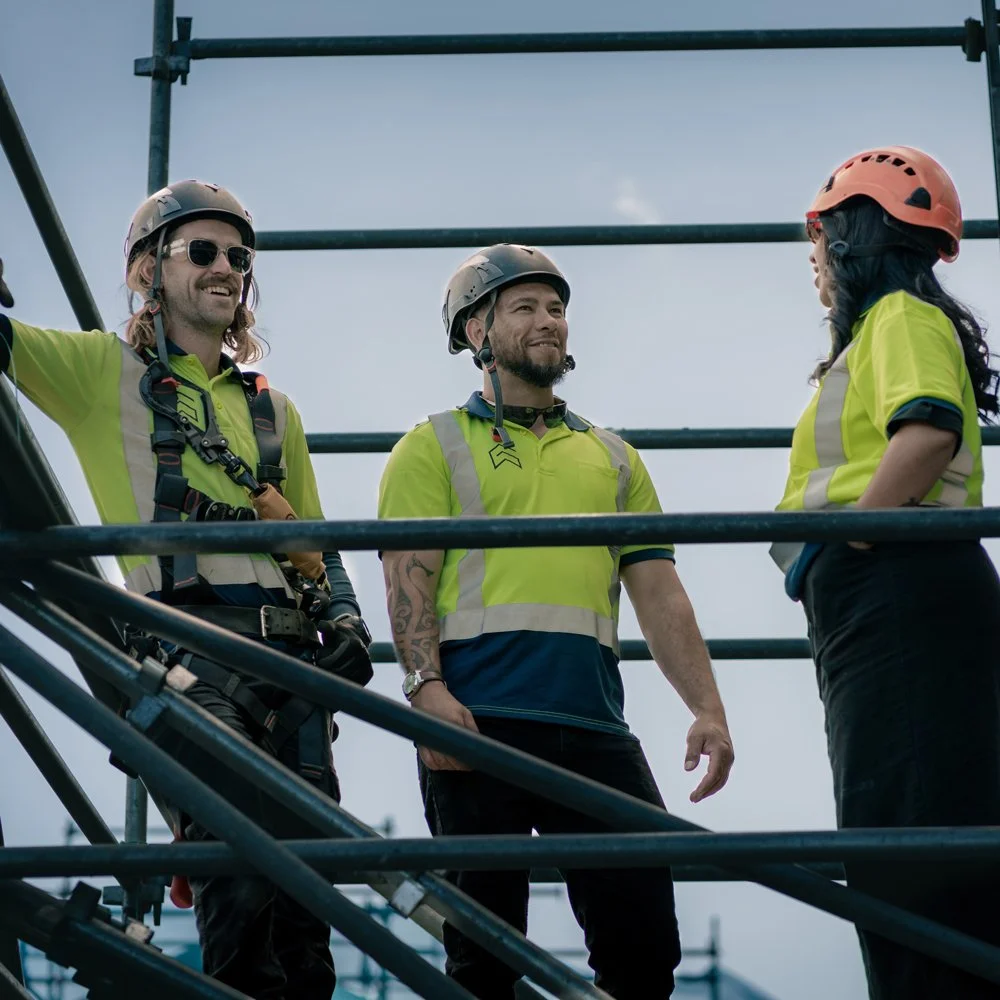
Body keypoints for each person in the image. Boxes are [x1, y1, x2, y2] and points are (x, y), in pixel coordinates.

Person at [0, 180, 374, 1000]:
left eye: (238, 257)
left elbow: (313, 541)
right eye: (200, 251)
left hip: (291, 665)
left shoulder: (276, 413)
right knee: (237, 879)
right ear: (146, 271)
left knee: (308, 916)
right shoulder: (102, 372)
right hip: (186, 658)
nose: (225, 269)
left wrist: (345, 615)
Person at [377, 243, 734, 999]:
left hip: (595, 726)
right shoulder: (431, 444)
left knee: (644, 951)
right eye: (526, 307)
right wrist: (423, 689)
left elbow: (660, 592)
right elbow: (408, 574)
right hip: (476, 724)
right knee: (483, 962)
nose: (550, 321)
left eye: (558, 307)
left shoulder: (613, 456)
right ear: (477, 331)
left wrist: (706, 707)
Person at [771, 146, 1000, 1000]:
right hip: (885, 596)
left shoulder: (900, 318)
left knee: (906, 838)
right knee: (898, 830)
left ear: (854, 236)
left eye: (820, 242)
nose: (815, 265)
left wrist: (859, 535)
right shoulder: (882, 331)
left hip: (899, 590)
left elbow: (929, 428)